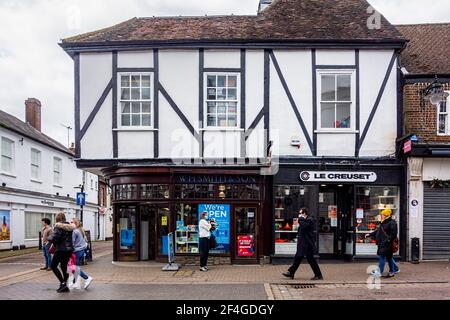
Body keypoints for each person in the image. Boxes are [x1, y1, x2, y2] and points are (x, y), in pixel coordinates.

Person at [283, 208, 323, 280]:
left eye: (300, 213)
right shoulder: (304, 220)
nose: (299, 215)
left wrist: (300, 219)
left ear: (304, 213)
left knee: (310, 259)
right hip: (302, 244)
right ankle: (291, 272)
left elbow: (304, 226)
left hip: (308, 244)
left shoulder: (309, 220)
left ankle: (318, 275)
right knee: (298, 258)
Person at [366, 209, 400, 278]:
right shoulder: (383, 222)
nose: (381, 216)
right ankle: (392, 271)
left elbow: (393, 234)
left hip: (386, 244)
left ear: (386, 215)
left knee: (382, 257)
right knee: (389, 258)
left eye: (382, 214)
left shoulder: (392, 223)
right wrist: (370, 234)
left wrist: (387, 241)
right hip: (383, 242)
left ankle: (379, 272)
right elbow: (378, 231)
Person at [47, 212, 75, 293]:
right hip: (68, 250)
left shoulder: (58, 227)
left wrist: (48, 237)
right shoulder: (69, 227)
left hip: (60, 250)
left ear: (57, 219)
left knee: (53, 266)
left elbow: (54, 238)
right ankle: (64, 285)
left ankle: (63, 283)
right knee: (63, 267)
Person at [69, 217, 93, 290]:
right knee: (75, 267)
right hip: (81, 250)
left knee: (75, 268)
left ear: (75, 223)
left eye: (71, 222)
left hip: (77, 251)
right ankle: (74, 283)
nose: (70, 223)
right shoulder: (80, 230)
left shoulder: (74, 231)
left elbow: (72, 243)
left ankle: (87, 278)